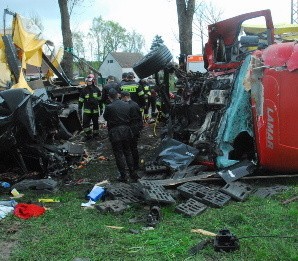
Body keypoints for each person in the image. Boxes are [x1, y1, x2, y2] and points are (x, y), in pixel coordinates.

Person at [103, 88, 138, 182]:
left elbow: (105, 117)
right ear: (118, 95)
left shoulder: (109, 107)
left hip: (115, 132)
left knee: (119, 154)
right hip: (127, 131)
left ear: (109, 97)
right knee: (128, 152)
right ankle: (132, 173)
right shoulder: (127, 105)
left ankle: (123, 176)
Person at [121, 91, 143, 170]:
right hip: (136, 128)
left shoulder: (126, 105)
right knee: (134, 147)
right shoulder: (136, 104)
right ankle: (136, 165)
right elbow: (140, 117)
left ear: (125, 97)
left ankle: (132, 166)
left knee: (129, 148)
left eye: (122, 98)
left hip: (130, 128)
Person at [78, 74, 102, 141]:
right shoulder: (84, 90)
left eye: (90, 81)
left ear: (93, 81)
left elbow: (100, 100)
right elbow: (81, 100)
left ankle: (96, 135)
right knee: (85, 124)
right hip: (87, 111)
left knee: (96, 124)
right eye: (88, 81)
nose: (89, 82)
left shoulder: (97, 89)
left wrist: (101, 108)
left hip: (95, 111)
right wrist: (79, 108)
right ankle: (88, 135)